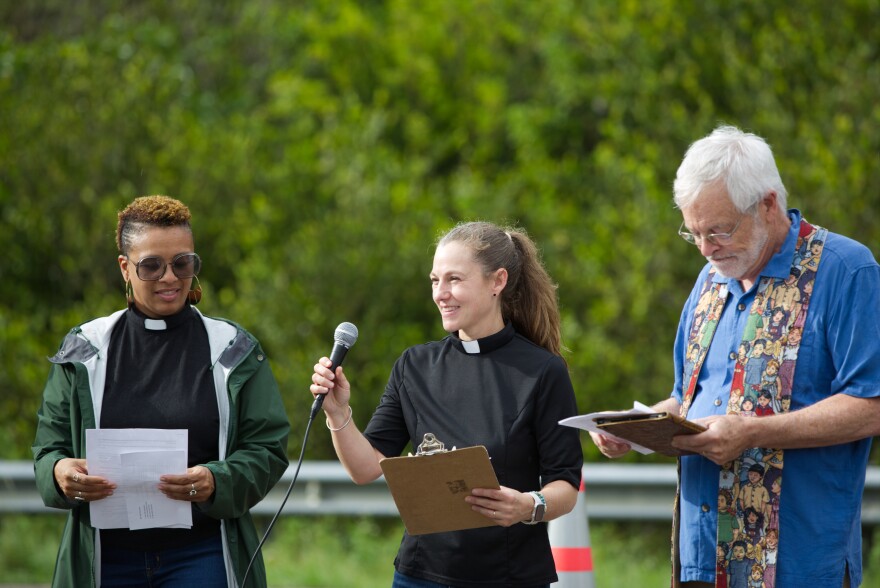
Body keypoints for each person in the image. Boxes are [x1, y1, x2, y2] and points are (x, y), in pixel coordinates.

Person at [588, 125, 880, 588]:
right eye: (695, 233)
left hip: (797, 562)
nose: (706, 249)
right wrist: (637, 428)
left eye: (720, 230)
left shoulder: (846, 271)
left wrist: (753, 432)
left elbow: (871, 406)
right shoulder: (709, 281)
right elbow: (688, 400)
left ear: (767, 203)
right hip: (701, 557)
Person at [32, 195, 290, 587]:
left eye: (183, 263)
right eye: (151, 265)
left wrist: (217, 480)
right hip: (104, 555)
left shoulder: (233, 349)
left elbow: (267, 448)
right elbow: (48, 448)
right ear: (125, 268)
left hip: (203, 551)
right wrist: (60, 472)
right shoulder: (85, 348)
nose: (170, 278)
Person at [309, 221, 583, 587]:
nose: (441, 293)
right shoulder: (414, 366)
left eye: (454, 279)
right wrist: (338, 413)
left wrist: (528, 506)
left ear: (497, 282)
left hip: (510, 576)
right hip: (419, 576)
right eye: (435, 280)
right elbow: (365, 469)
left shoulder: (543, 372)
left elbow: (564, 485)